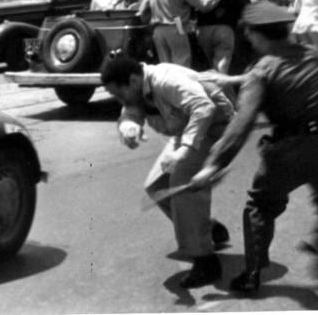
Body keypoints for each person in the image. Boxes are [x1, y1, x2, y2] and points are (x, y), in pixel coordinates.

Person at [189, 1, 318, 293]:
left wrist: (214, 164)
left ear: (255, 34)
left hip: (288, 150)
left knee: (260, 207)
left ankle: (252, 274)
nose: (248, 39)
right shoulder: (312, 56)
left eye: (249, 34)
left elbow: (241, 125)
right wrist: (238, 79)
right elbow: (289, 75)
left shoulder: (261, 70)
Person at [101, 54, 235, 288]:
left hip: (215, 130)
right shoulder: (138, 88)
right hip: (188, 131)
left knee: (182, 183)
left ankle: (205, 261)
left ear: (132, 81)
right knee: (156, 186)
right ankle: (208, 230)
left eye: (119, 93)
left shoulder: (166, 80)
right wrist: (129, 126)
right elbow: (130, 112)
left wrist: (184, 150)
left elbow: (204, 107)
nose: (119, 99)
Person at [194, 0, 247, 74]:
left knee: (209, 68)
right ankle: (221, 90)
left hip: (202, 29)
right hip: (225, 29)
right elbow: (243, 6)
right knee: (221, 67)